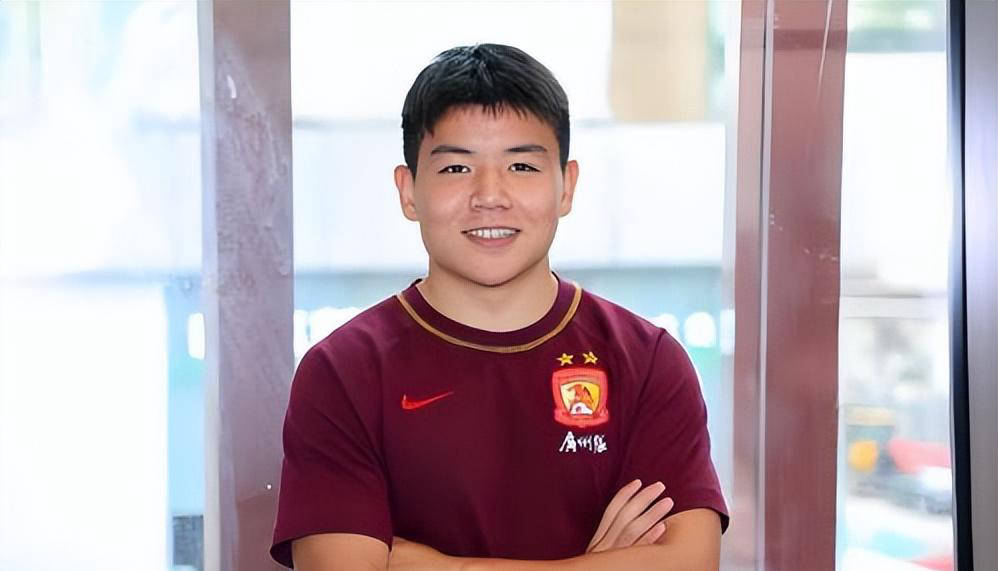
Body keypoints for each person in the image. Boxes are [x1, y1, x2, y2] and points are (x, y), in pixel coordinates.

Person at [270, 43, 729, 570]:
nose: (490, 195)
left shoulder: (647, 361)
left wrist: (433, 565)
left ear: (566, 186)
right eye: (456, 168)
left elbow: (690, 561)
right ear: (408, 191)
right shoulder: (343, 372)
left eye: (521, 165)